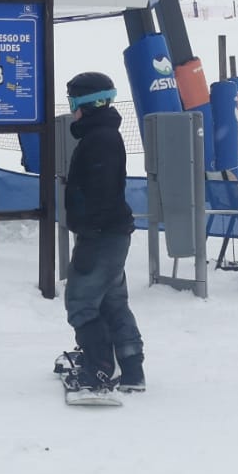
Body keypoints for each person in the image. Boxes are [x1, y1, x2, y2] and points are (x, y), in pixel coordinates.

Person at [58, 71, 145, 400]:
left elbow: (101, 191)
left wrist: (91, 229)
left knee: (81, 302)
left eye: (73, 102)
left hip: (101, 235)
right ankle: (131, 368)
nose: (72, 110)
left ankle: (99, 370)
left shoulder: (99, 140)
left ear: (86, 103)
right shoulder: (103, 135)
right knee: (112, 301)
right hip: (110, 233)